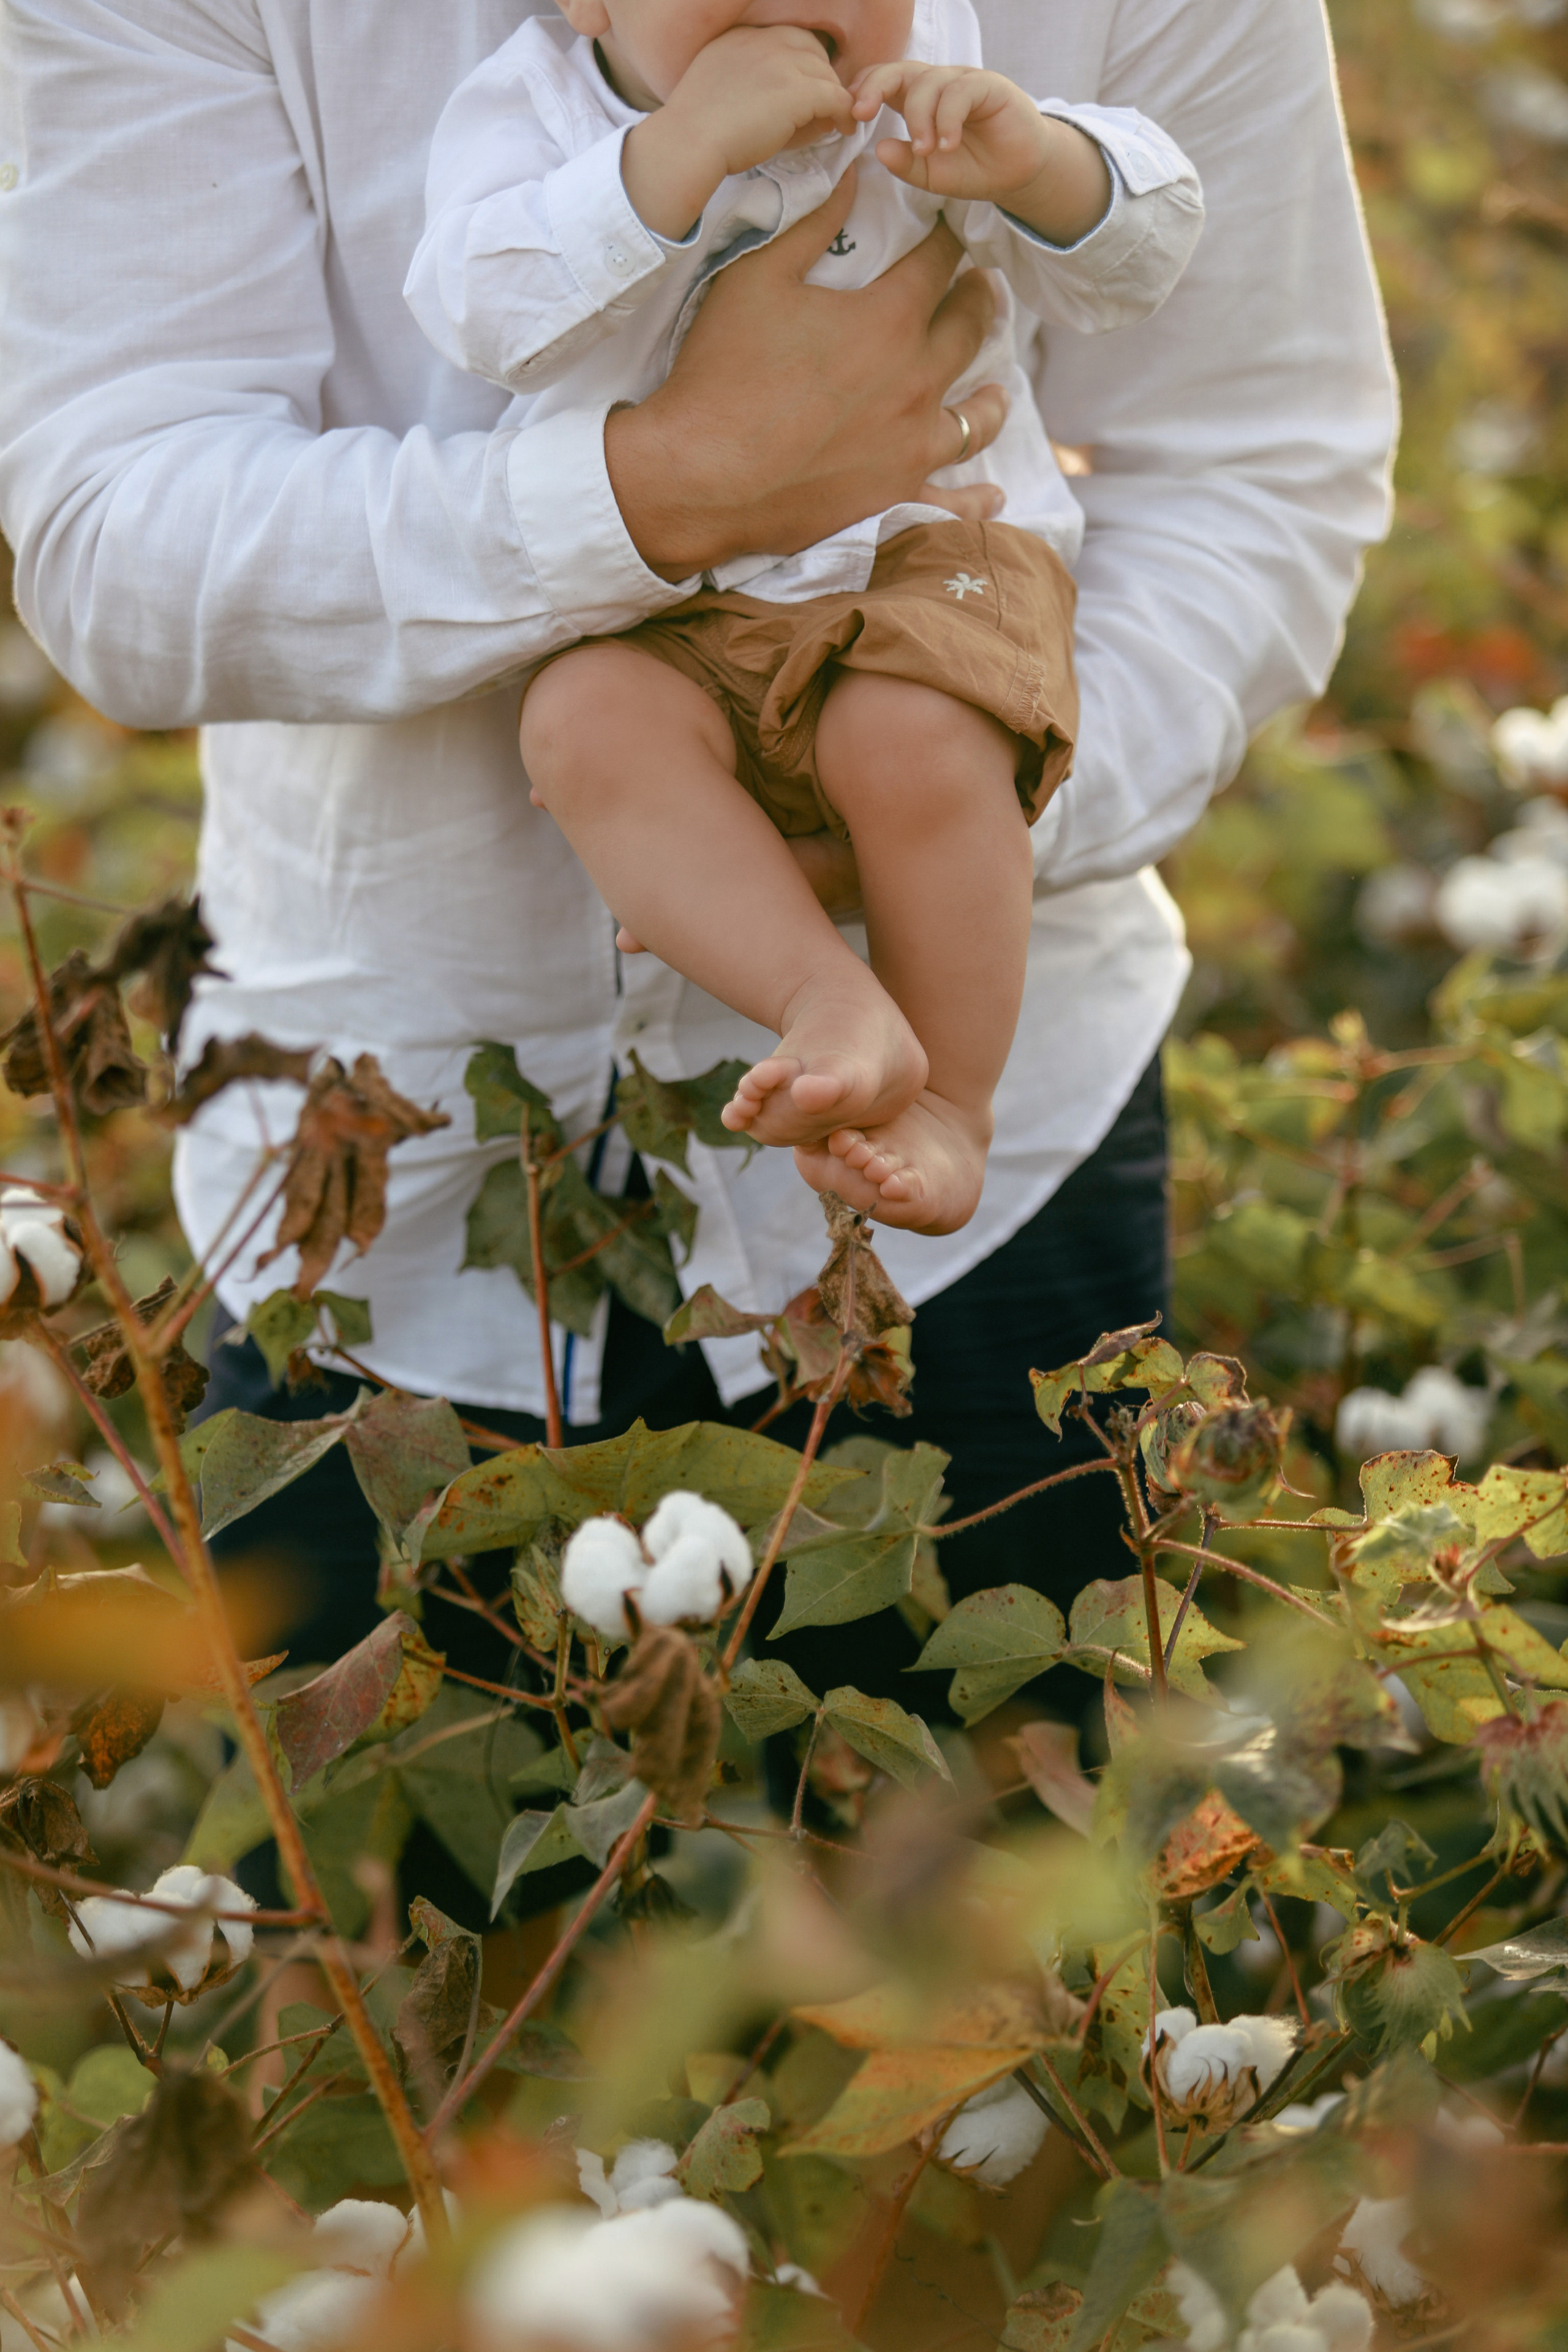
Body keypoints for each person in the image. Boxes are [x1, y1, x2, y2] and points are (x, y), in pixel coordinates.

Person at [0, 1, 1396, 1818]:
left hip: (990, 1197)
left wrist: (947, 802)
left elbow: (1257, 454)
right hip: (382, 1218)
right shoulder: (511, 113)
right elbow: (117, 537)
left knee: (984, 1980)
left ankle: (919, 1061)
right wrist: (664, 485)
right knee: (409, 1991)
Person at [405, 0, 1202, 1235]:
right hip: (671, 600)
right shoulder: (534, 110)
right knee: (579, 723)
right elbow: (481, 317)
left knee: (908, 735)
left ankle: (951, 1099)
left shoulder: (929, 77)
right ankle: (824, 998)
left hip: (927, 550)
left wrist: (1042, 163)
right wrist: (670, 156)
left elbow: (1147, 257)